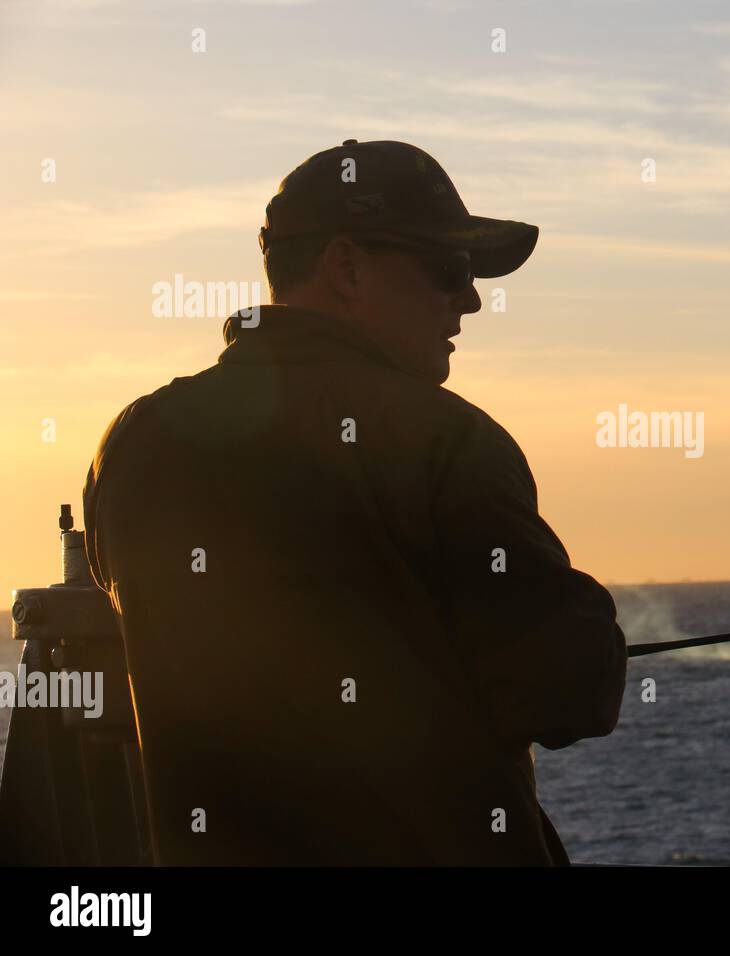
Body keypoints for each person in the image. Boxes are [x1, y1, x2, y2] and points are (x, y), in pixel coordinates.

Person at [82, 140, 627, 865]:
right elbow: (565, 695)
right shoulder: (446, 441)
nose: (469, 298)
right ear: (346, 266)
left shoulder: (133, 444)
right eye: (448, 268)